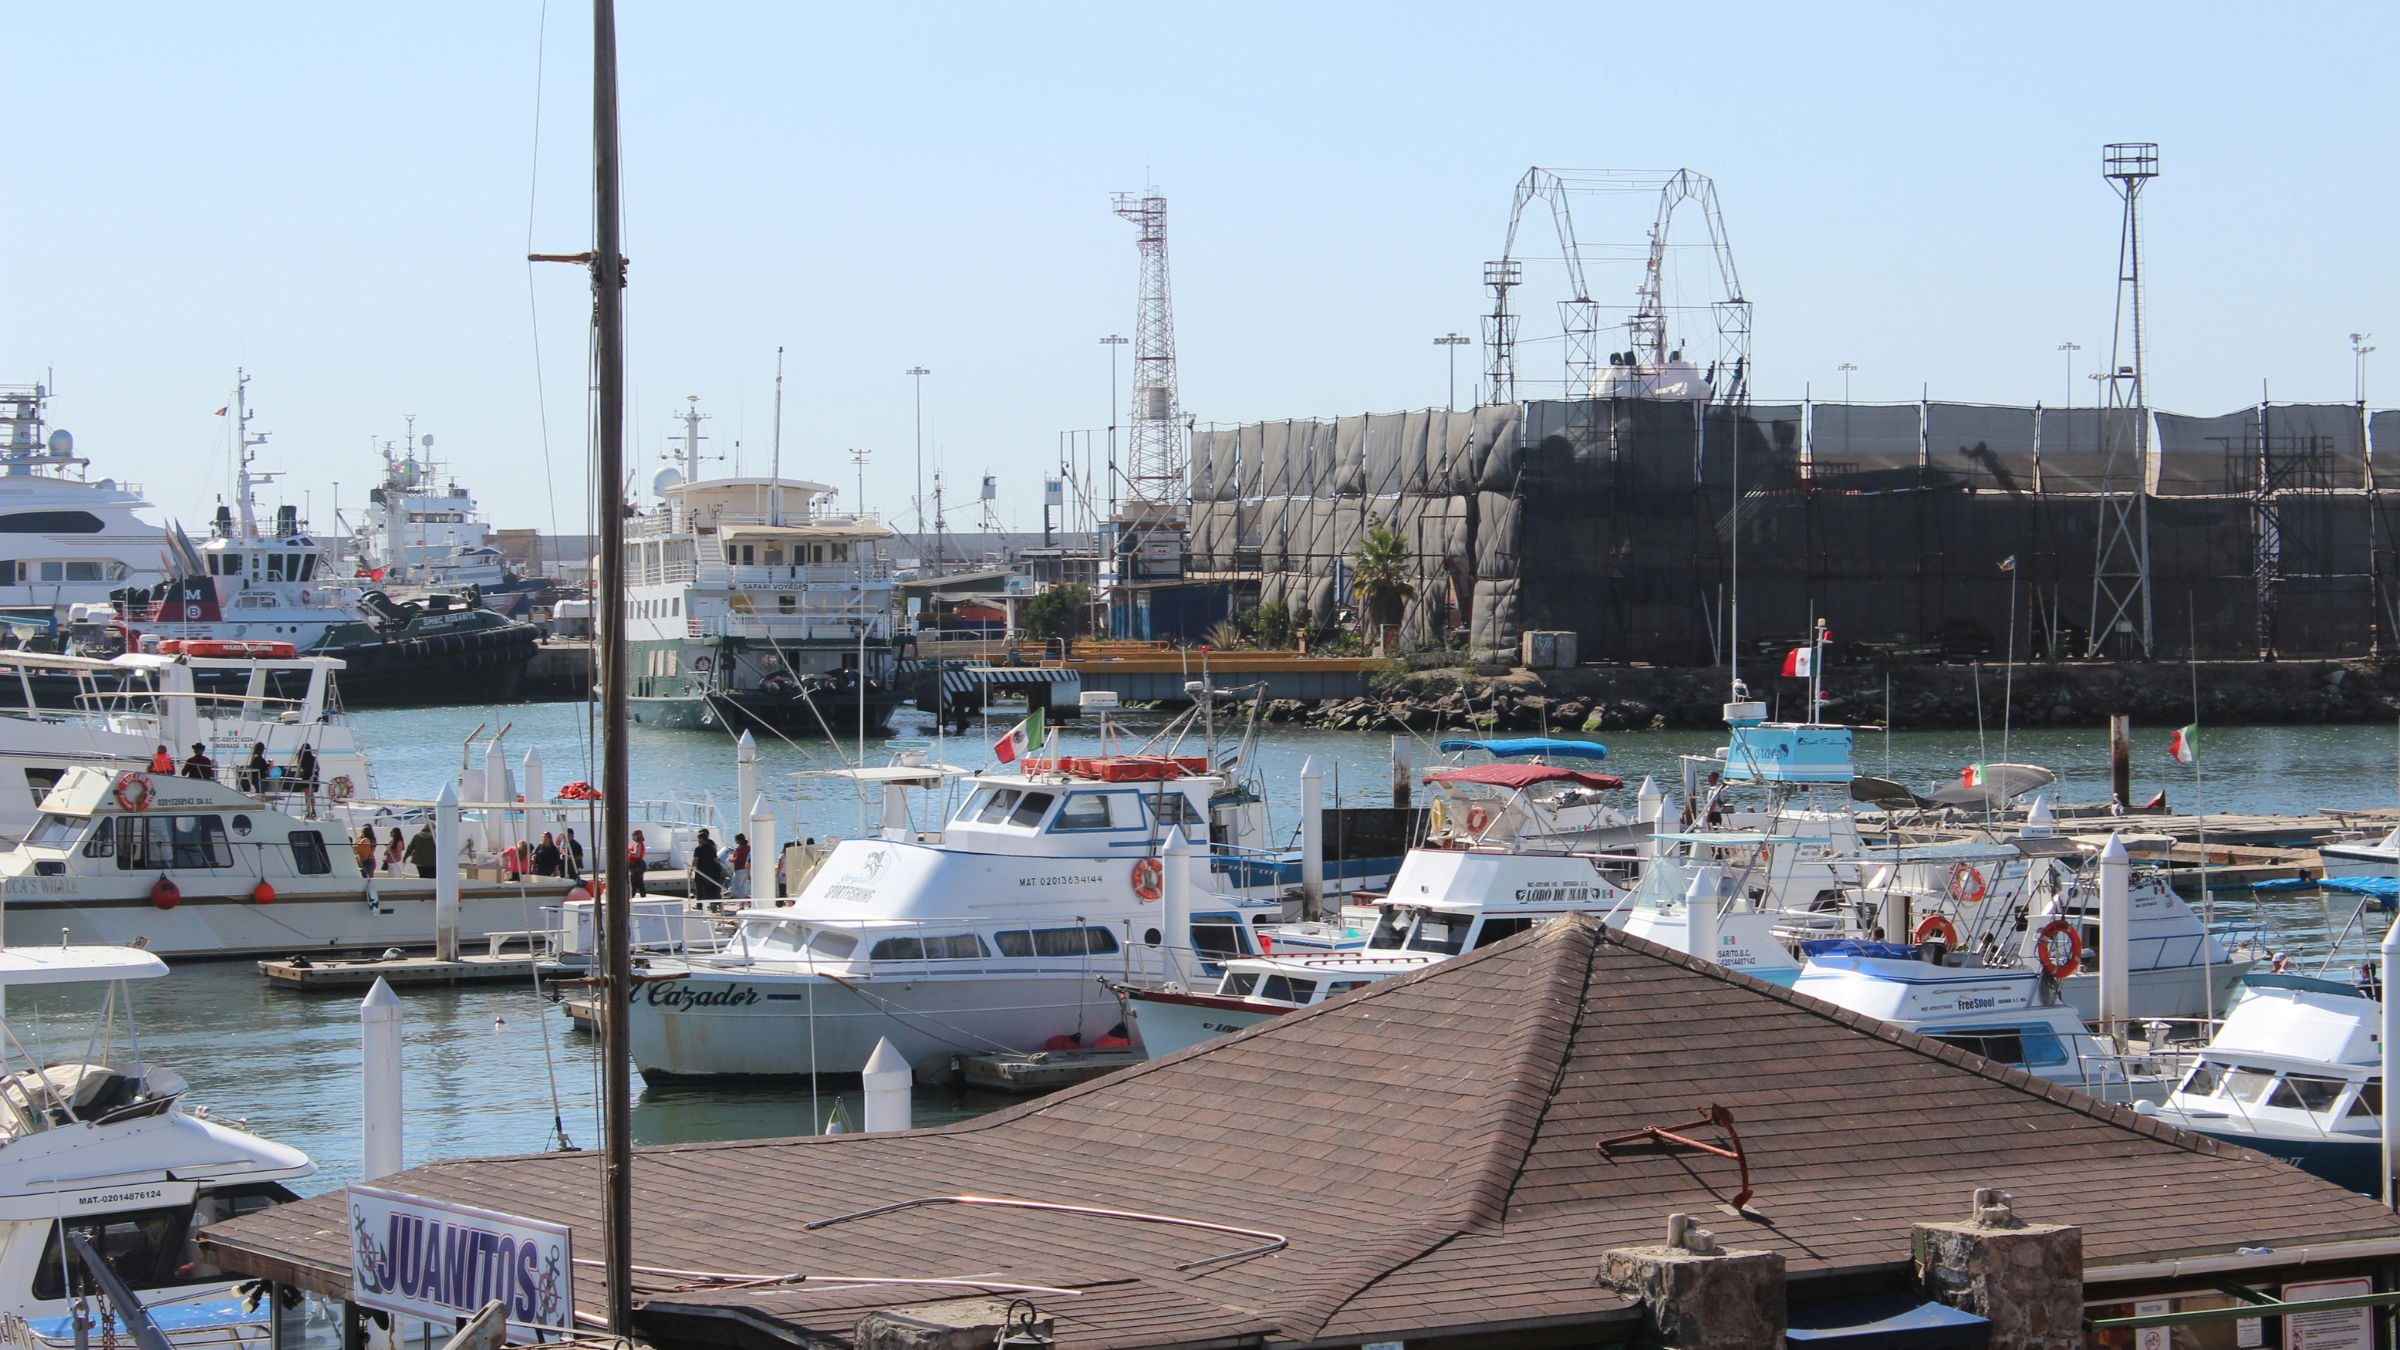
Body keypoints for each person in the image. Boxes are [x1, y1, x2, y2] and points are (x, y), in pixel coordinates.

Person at [690, 828, 723, 902]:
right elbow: (715, 859)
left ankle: (699, 904)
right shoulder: (711, 847)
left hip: (700, 871)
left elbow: (695, 860)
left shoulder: (698, 848)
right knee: (709, 888)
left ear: (701, 839)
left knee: (699, 888)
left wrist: (691, 869)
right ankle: (713, 903)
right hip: (709, 871)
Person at [294, 742, 319, 818]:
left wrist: (302, 773)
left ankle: (308, 811)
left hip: (306, 776)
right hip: (313, 777)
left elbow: (298, 773)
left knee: (307, 796)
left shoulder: (302, 759)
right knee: (311, 795)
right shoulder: (313, 758)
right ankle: (313, 810)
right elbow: (318, 768)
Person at [728, 833, 752, 899]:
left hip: (739, 869)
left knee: (736, 887)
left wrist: (730, 859)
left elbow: (738, 860)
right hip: (747, 868)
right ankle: (743, 903)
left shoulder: (739, 848)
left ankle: (747, 898)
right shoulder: (748, 847)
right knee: (743, 886)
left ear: (738, 840)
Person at [627, 829, 648, 896]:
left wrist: (628, 851)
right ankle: (639, 895)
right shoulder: (639, 844)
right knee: (637, 881)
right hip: (638, 864)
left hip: (637, 864)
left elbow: (637, 854)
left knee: (636, 882)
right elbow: (643, 854)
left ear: (638, 836)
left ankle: (634, 895)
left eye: (634, 835)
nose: (632, 837)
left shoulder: (638, 844)